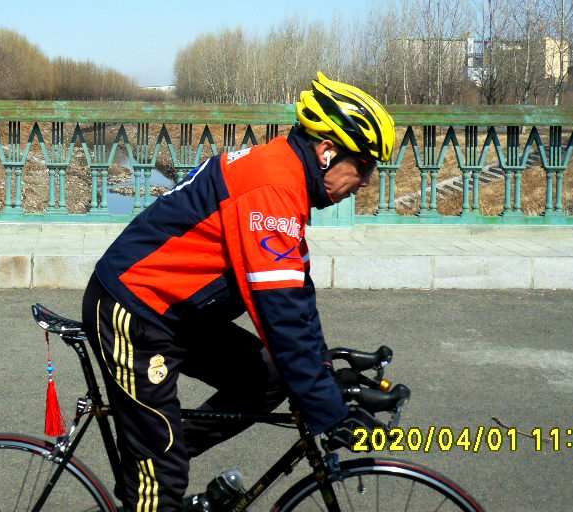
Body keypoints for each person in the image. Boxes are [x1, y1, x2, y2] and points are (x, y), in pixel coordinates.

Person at [81, 72, 397, 512]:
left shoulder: (285, 177)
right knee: (161, 484)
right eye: (363, 166)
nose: (365, 181)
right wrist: (328, 411)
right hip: (134, 310)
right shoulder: (271, 187)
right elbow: (279, 316)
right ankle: (154, 472)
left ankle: (155, 458)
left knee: (269, 378)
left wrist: (323, 372)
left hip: (177, 311)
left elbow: (297, 298)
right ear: (327, 151)